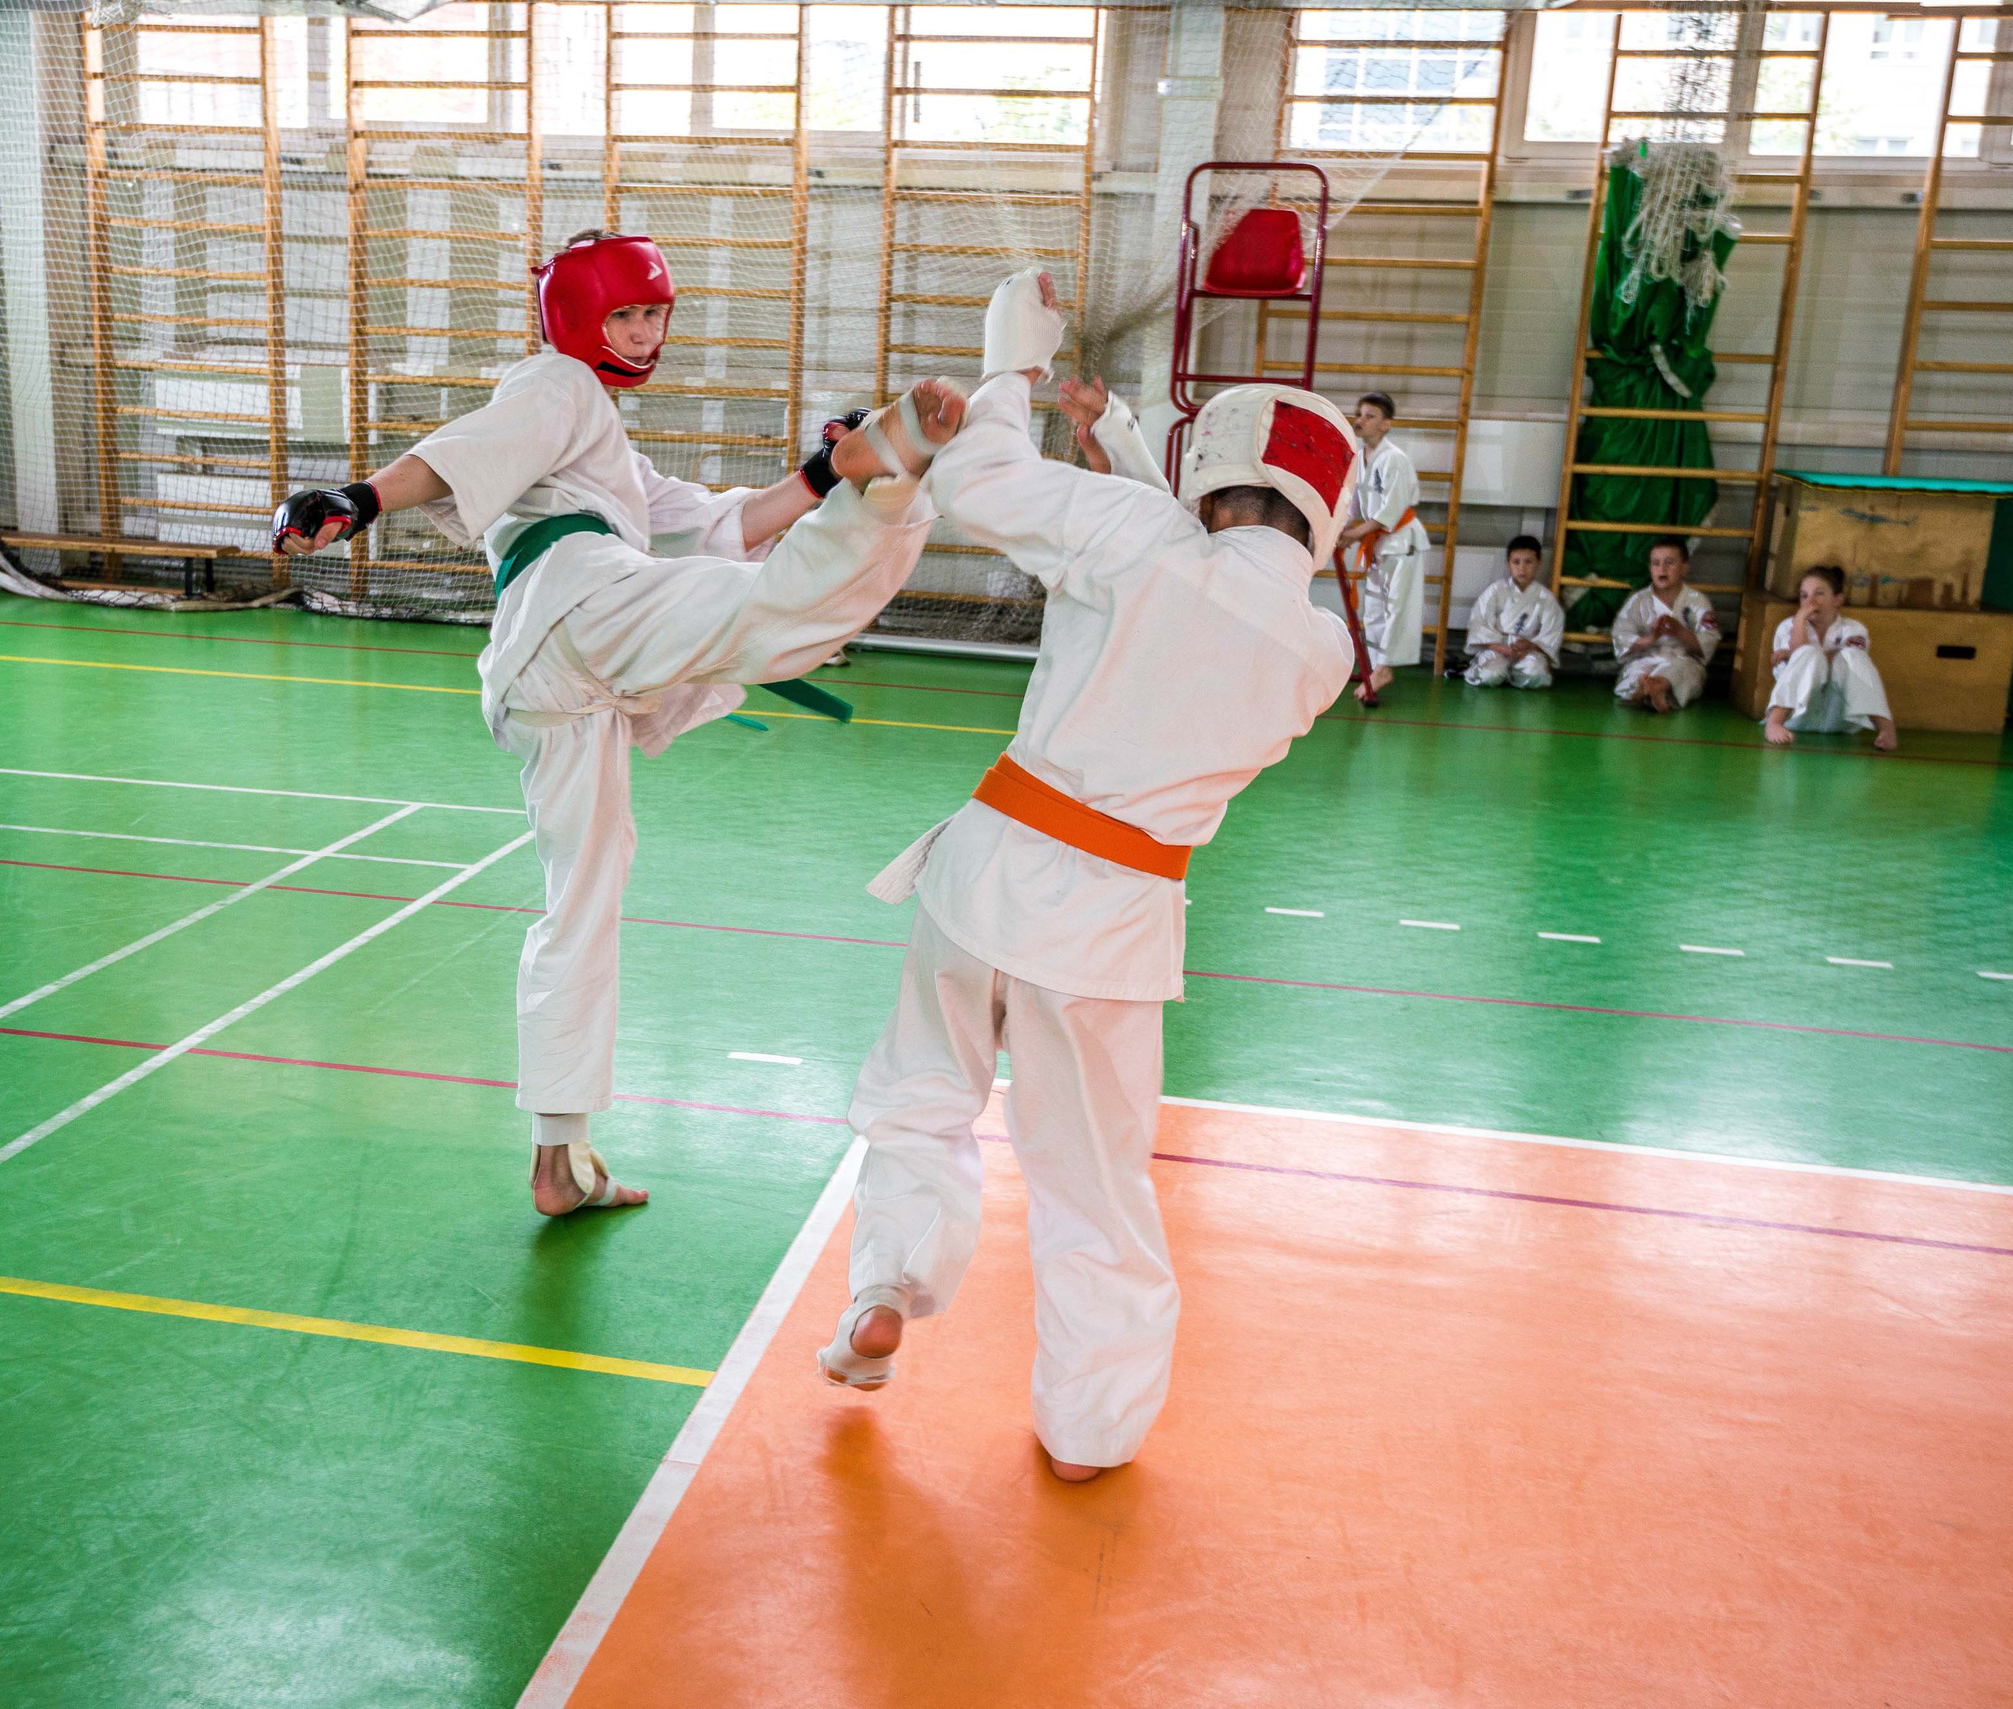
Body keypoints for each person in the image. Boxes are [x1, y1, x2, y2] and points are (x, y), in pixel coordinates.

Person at [276, 230, 963, 1219]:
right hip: (583, 605)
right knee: (771, 615)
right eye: (625, 316)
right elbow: (463, 452)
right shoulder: (558, 387)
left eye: (654, 316)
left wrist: (817, 474)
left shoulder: (604, 455)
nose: (645, 336)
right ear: (573, 321)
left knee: (581, 909)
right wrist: (360, 497)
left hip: (556, 684)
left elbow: (724, 517)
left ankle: (558, 1157)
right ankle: (886, 487)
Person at [820, 270, 1357, 1485]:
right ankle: (1087, 1430)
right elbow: (1212, 557)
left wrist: (1008, 366)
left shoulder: (1135, 538)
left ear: (1200, 471)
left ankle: (888, 1283)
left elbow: (986, 484)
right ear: (1323, 515)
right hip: (1113, 927)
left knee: (919, 1097)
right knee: (1093, 1190)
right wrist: (1111, 437)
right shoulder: (1316, 651)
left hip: (986, 874)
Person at [1333, 391, 1430, 694]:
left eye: (1370, 415)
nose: (1360, 420)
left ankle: (1384, 668)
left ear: (1386, 424)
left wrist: (1354, 535)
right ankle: (1375, 667)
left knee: (1398, 606)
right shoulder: (1359, 458)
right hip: (1377, 544)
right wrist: (1339, 530)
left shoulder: (1394, 459)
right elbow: (1355, 506)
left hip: (1402, 542)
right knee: (1374, 608)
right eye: (1359, 414)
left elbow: (1392, 509)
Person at [1765, 563, 1897, 751]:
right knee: (1807, 653)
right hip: (1798, 716)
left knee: (1854, 656)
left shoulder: (1853, 629)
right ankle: (1774, 722)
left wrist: (1797, 653)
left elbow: (1848, 655)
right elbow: (1802, 653)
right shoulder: (1788, 627)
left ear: (1837, 600)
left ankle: (1886, 728)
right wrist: (1801, 621)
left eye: (1819, 594)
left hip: (1841, 717)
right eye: (1804, 596)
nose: (1811, 601)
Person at [1611, 536, 1720, 712]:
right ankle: (1645, 687)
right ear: (1650, 568)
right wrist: (1651, 638)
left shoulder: (1697, 601)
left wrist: (1680, 632)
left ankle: (1655, 687)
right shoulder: (1638, 601)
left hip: (1683, 661)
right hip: (1646, 658)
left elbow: (1708, 644)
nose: (1662, 569)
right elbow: (1621, 637)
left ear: (1684, 568)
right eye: (1655, 563)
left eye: (1669, 563)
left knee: (1682, 672)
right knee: (1636, 672)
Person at [1464, 534, 1565, 690]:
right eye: (1516, 562)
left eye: (1528, 562)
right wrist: (1502, 648)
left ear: (1539, 563)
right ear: (1508, 563)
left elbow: (1550, 634)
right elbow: (1480, 624)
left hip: (1528, 651)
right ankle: (1501, 672)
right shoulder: (1496, 590)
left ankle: (1511, 674)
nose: (1522, 568)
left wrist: (1531, 645)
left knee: (1535, 673)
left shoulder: (1546, 598)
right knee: (1491, 675)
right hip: (1497, 648)